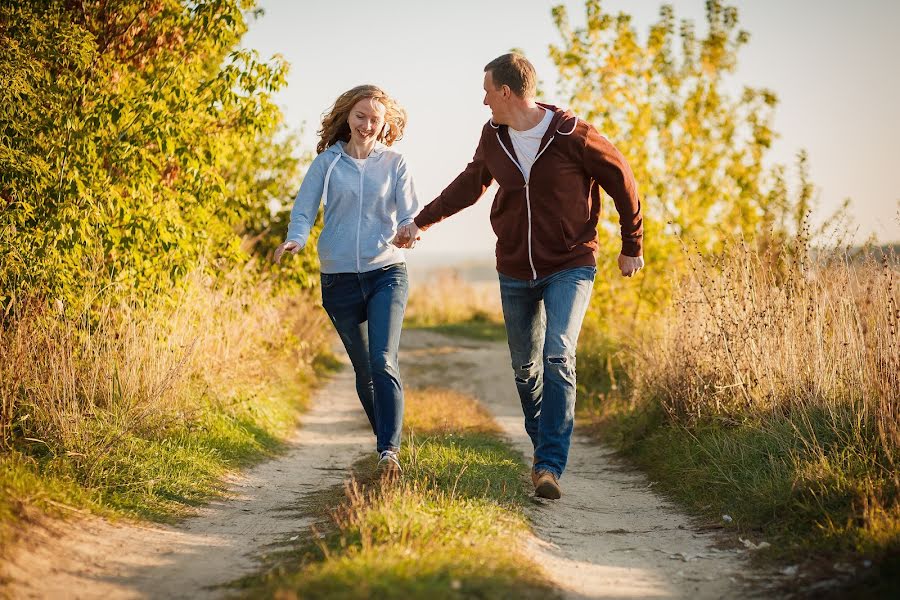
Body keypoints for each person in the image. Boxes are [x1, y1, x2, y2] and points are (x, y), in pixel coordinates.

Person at [394, 53, 644, 499]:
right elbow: (471, 184)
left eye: (488, 90)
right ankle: (542, 449)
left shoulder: (573, 134)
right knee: (525, 368)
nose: (484, 99)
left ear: (506, 92)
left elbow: (623, 180)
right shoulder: (493, 136)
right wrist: (421, 221)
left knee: (558, 355)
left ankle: (549, 465)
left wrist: (632, 245)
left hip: (570, 262)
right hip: (514, 267)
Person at [276, 84, 419, 477]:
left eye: (375, 119)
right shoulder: (327, 163)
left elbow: (409, 212)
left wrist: (409, 228)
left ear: (384, 123)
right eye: (361, 116)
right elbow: (304, 210)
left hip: (386, 270)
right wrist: (295, 239)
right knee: (363, 369)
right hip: (338, 276)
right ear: (347, 117)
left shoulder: (394, 163)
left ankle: (389, 453)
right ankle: (386, 444)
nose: (367, 125)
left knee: (382, 359)